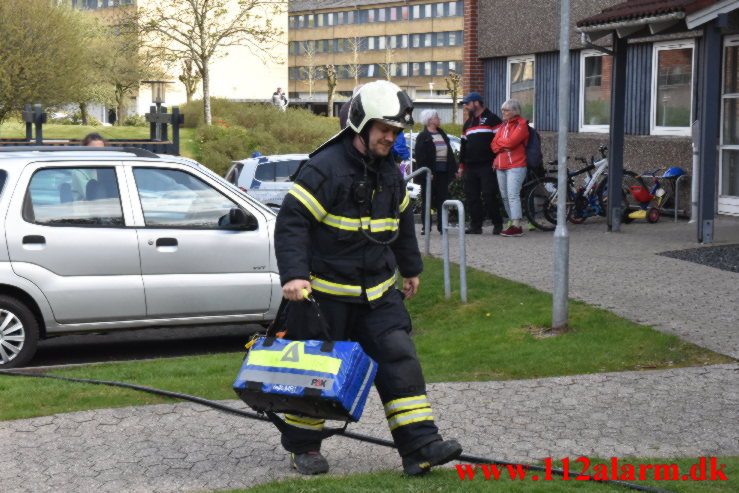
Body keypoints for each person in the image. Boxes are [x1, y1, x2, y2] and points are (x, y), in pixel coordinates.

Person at [274, 80, 462, 477]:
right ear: (361, 124)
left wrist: (410, 269)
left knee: (400, 361)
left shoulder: (391, 173)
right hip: (323, 297)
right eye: (384, 131)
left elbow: (402, 225)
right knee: (315, 376)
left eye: (395, 132)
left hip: (378, 295)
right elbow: (292, 223)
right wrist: (293, 275)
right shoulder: (324, 168)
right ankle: (304, 449)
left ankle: (420, 447)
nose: (390, 138)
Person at [457, 92, 504, 235]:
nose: (465, 107)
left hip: (487, 165)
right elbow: (463, 146)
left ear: (476, 103)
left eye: (467, 104)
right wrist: (461, 166)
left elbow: (500, 141)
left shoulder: (492, 119)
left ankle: (498, 224)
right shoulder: (468, 123)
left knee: (489, 195)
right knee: (472, 196)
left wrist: (497, 160)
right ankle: (475, 226)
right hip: (470, 166)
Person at [414, 109, 458, 234]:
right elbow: (420, 156)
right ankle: (426, 227)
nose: (439, 119)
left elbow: (449, 152)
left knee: (443, 200)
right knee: (427, 200)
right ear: (430, 120)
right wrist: (427, 173)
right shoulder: (423, 136)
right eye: (437, 117)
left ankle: (442, 226)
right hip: (430, 174)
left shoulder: (442, 133)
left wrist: (453, 169)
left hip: (443, 172)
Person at [491, 99, 529, 237]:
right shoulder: (503, 125)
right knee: (505, 196)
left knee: (513, 195)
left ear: (514, 112)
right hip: (500, 164)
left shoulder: (522, 124)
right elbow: (493, 144)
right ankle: (512, 222)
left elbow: (512, 142)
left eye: (506, 110)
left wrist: (503, 144)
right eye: (503, 110)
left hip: (516, 165)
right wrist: (503, 145)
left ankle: (517, 225)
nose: (503, 112)